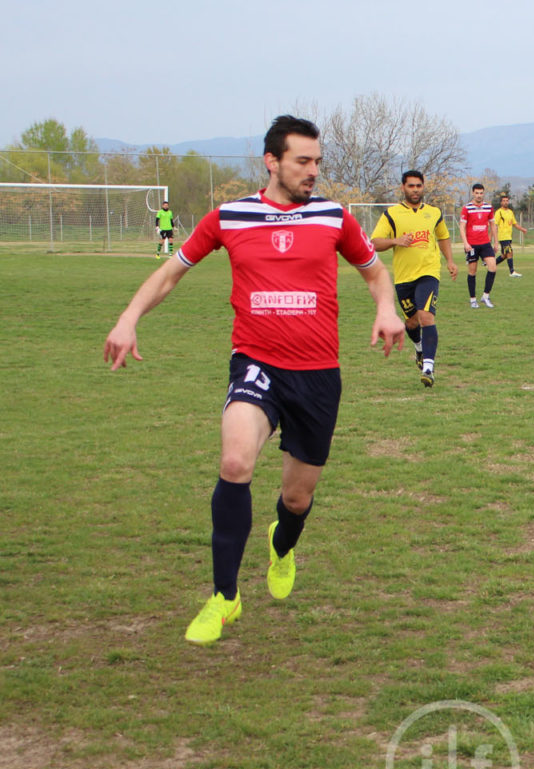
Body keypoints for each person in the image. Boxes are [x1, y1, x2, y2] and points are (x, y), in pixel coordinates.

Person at [103, 115, 407, 645]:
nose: (313, 171)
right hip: (256, 363)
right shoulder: (229, 217)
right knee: (236, 461)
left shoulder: (335, 218)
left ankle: (282, 544)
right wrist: (129, 319)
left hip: (316, 375)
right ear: (272, 162)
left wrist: (386, 309)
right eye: (302, 162)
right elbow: (172, 271)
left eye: (317, 162)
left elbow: (375, 272)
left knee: (295, 500)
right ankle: (225, 597)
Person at [370, 170, 459, 387]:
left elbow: (443, 237)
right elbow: (374, 242)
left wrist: (449, 260)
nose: (415, 190)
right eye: (411, 186)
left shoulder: (434, 213)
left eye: (419, 186)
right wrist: (395, 241)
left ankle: (428, 367)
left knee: (426, 316)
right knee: (411, 322)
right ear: (403, 188)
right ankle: (419, 348)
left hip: (429, 273)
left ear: (423, 187)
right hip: (403, 278)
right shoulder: (392, 214)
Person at [459, 184, 498, 308]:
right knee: (472, 271)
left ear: (484, 193)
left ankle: (485, 296)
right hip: (472, 245)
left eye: (481, 193)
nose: (479, 195)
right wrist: (465, 243)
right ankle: (472, 299)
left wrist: (495, 242)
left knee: (492, 267)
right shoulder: (467, 208)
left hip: (485, 243)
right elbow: (462, 226)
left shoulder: (489, 207)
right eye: (477, 193)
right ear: (473, 193)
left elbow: (493, 225)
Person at [494, 194, 527, 277]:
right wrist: (494, 236)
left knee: (504, 255)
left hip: (508, 237)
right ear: (501, 202)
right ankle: (512, 272)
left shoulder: (510, 212)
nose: (505, 202)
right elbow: (495, 224)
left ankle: (491, 264)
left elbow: (514, 224)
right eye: (504, 201)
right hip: (503, 237)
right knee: (510, 252)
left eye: (507, 201)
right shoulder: (498, 212)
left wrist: (522, 229)